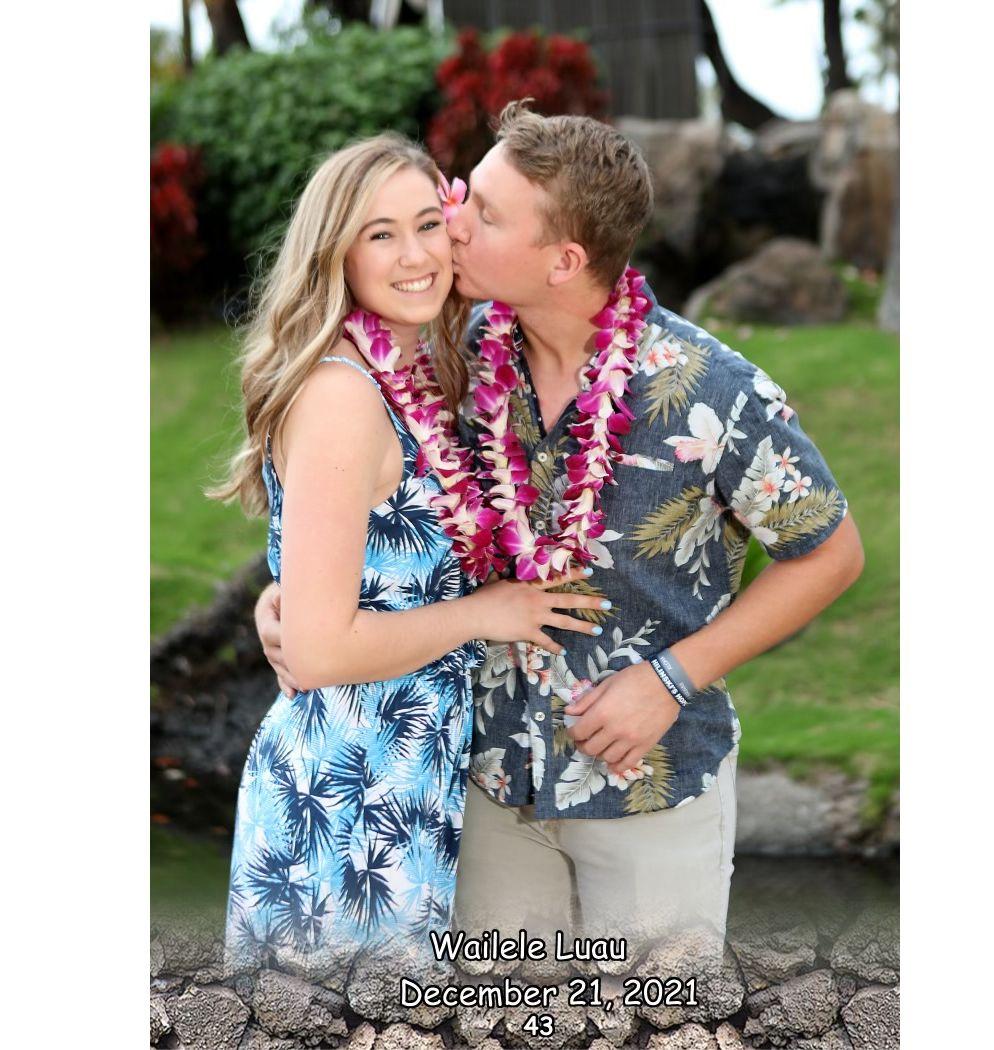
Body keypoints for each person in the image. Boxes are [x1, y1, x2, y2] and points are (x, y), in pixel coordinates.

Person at [256, 105, 865, 967]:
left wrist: (673, 677)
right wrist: (289, 592)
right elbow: (372, 508)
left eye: (484, 214)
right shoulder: (458, 357)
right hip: (487, 786)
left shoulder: (710, 391)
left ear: (564, 260)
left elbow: (832, 552)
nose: (452, 226)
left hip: (648, 785)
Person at [210, 133, 608, 975]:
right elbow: (320, 650)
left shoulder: (409, 370)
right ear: (338, 253)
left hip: (402, 786)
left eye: (429, 223)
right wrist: (485, 613)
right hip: (344, 799)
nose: (417, 255)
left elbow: (340, 577)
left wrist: (279, 597)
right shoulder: (342, 396)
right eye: (381, 234)